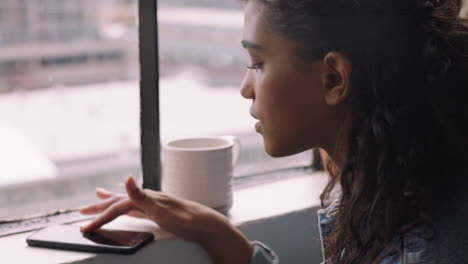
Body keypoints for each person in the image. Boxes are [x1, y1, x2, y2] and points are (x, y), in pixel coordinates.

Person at [79, 0, 468, 263]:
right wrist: (219, 235)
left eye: (257, 62)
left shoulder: (425, 249)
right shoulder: (395, 193)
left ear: (334, 78)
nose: (245, 87)